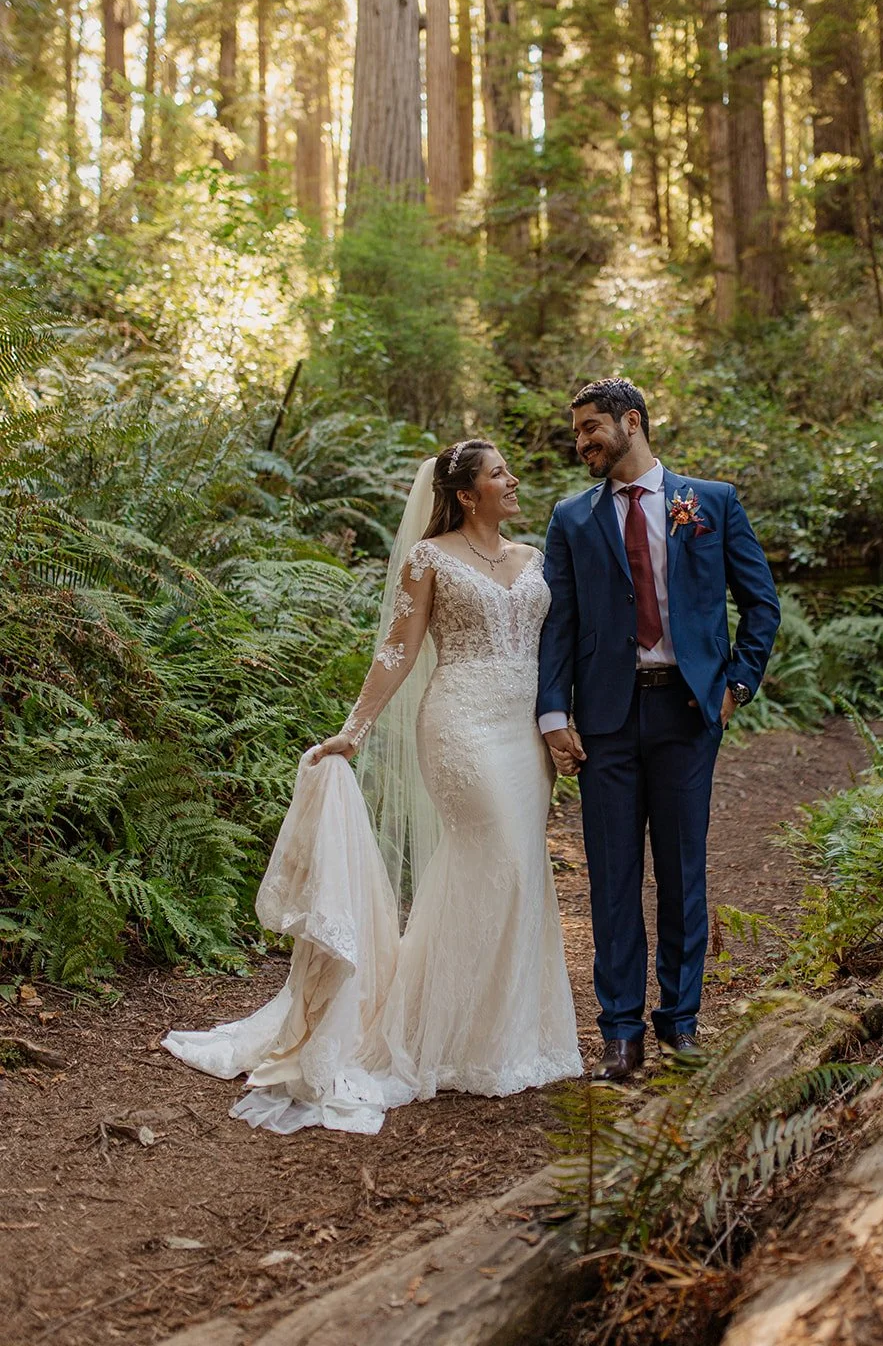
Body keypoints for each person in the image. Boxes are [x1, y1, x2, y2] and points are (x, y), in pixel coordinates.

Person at [164, 441, 582, 1133]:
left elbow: (558, 647)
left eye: (510, 469)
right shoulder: (430, 557)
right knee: (499, 858)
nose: (513, 479)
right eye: (498, 473)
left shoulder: (534, 559)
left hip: (521, 737)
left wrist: (560, 723)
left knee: (519, 872)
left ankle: (501, 1039)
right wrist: (353, 732)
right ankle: (429, 1038)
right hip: (460, 727)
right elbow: (397, 650)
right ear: (467, 493)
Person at [537, 379, 780, 1081]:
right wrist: (554, 716)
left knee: (681, 872)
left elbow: (759, 603)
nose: (581, 441)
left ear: (631, 422)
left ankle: (679, 1021)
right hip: (605, 721)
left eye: (590, 428)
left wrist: (734, 685)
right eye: (576, 432)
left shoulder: (711, 502)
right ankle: (619, 1032)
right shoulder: (571, 519)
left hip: (685, 712)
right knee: (610, 879)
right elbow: (559, 626)